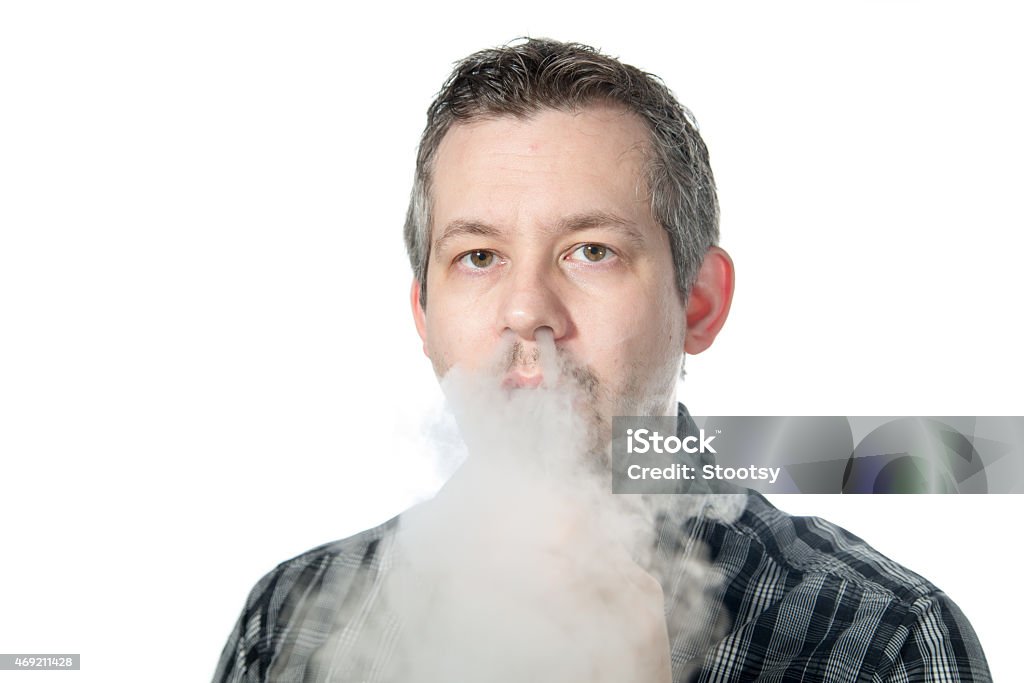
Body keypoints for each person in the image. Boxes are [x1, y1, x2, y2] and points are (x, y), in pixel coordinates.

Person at [212, 38, 991, 682]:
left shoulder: (883, 641)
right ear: (424, 315)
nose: (527, 311)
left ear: (699, 303)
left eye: (591, 251)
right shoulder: (286, 622)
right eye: (478, 256)